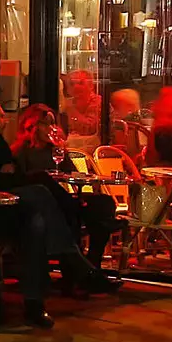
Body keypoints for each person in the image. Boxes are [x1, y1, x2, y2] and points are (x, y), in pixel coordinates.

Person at [0, 97, 115, 328]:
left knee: (36, 220)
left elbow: (14, 175)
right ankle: (69, 271)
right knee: (38, 202)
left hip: (3, 209)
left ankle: (36, 303)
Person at [14, 103, 117, 266]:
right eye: (46, 124)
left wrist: (63, 150)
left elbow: (74, 174)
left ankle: (93, 259)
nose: (51, 128)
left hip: (64, 199)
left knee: (105, 203)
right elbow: (21, 179)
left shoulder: (55, 149)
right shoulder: (22, 150)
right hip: (44, 203)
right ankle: (84, 264)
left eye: (53, 123)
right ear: (33, 126)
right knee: (89, 216)